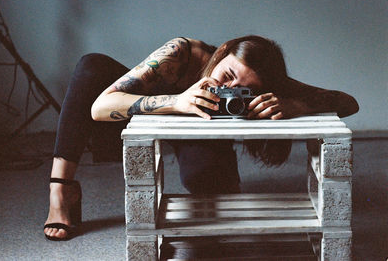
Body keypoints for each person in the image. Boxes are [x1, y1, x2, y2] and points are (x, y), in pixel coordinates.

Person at [44, 35, 359, 240]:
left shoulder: (265, 80)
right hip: (153, 113)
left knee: (210, 200)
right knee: (92, 66)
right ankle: (61, 192)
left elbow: (348, 102)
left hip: (203, 135)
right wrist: (177, 101)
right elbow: (99, 108)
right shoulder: (181, 53)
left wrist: (293, 103)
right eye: (227, 76)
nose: (230, 90)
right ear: (221, 52)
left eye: (242, 90)